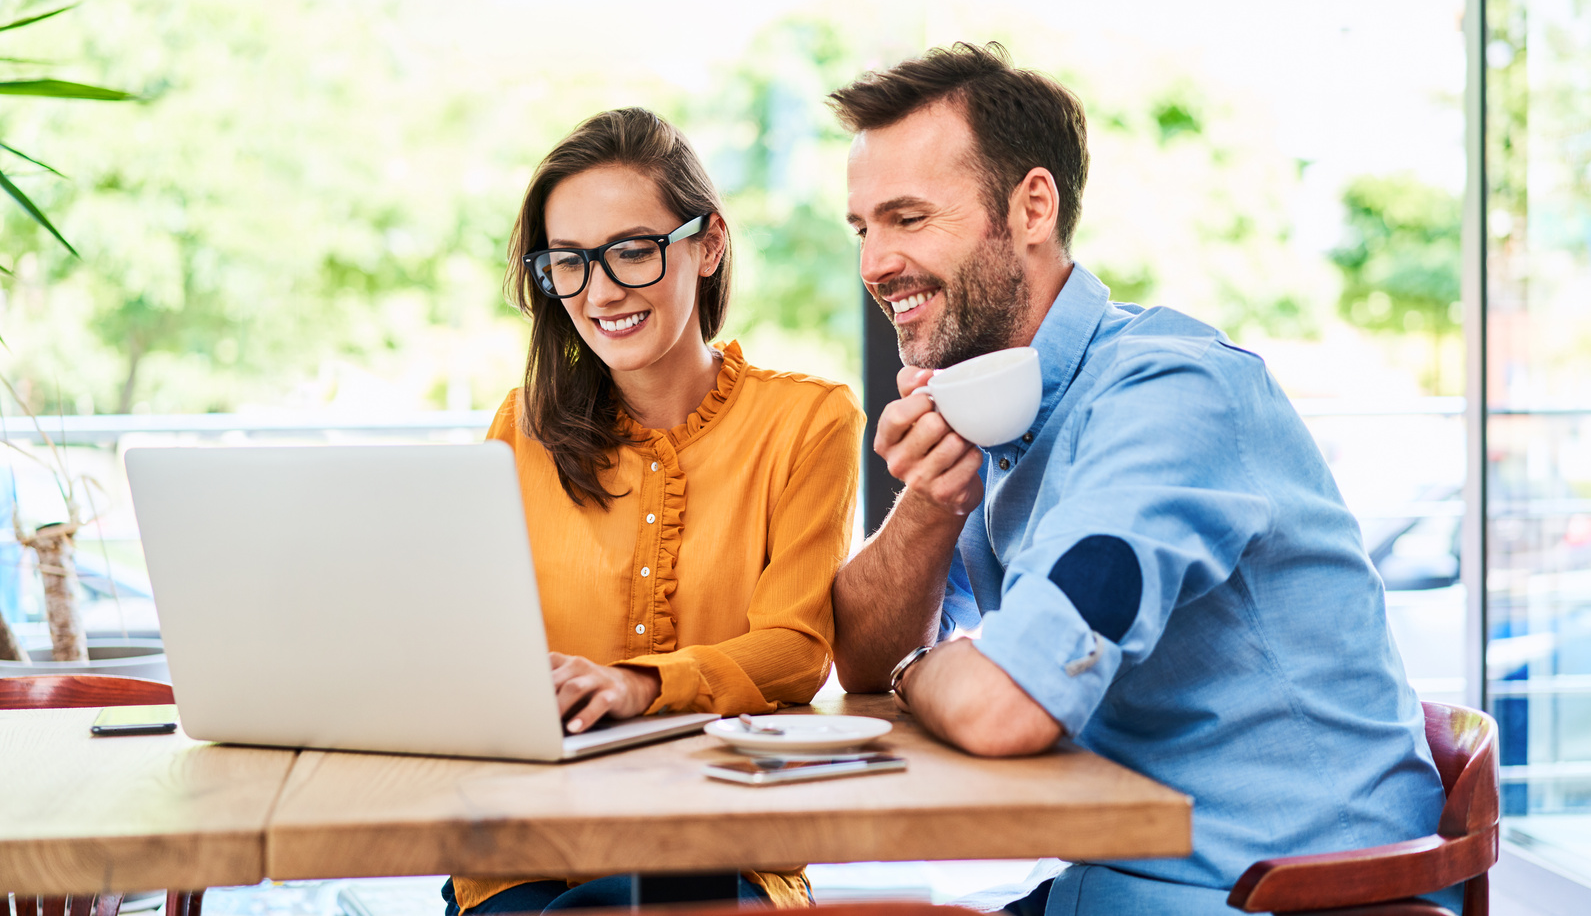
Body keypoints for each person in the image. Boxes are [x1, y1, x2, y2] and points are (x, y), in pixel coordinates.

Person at [828, 44, 1454, 915]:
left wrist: (919, 669)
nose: (874, 263)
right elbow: (858, 655)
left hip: (1292, 895)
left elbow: (1002, 707)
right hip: (1126, 881)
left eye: (907, 218)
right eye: (863, 228)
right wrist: (932, 502)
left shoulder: (1167, 398)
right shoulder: (1000, 405)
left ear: (1032, 207)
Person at [444, 107, 864, 915]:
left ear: (706, 246)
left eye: (632, 251)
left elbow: (795, 650)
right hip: (529, 846)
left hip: (727, 841)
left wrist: (643, 685)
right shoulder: (518, 427)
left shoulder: (808, 422)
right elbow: (475, 636)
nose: (600, 292)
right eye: (568, 262)